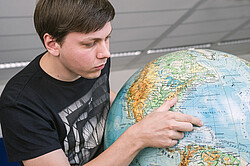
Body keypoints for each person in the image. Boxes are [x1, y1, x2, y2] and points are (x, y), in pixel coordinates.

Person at [0, 0, 203, 165]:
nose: (105, 52)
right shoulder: (20, 104)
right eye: (89, 43)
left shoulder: (95, 63)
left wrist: (143, 110)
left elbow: (101, 96)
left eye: (107, 38)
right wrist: (138, 136)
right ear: (52, 44)